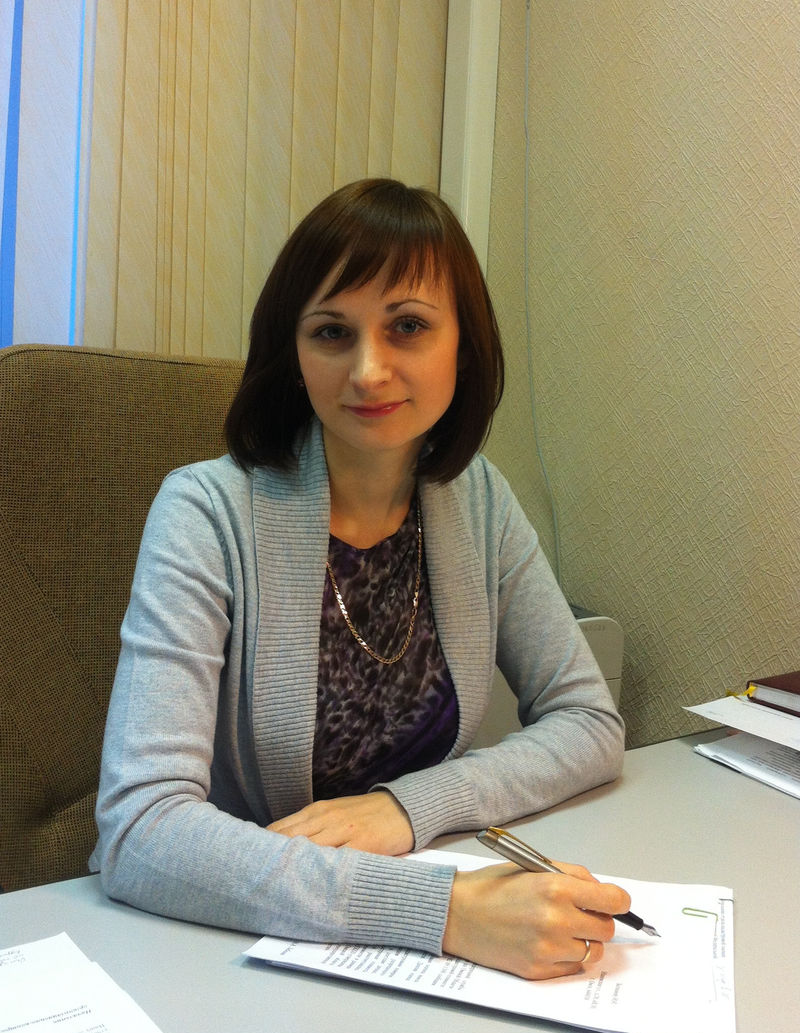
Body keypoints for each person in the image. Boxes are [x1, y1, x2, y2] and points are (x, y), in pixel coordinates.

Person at [91, 178, 629, 981]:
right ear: (294, 354)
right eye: (332, 332)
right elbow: (140, 829)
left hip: (410, 930)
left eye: (408, 326)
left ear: (463, 344)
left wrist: (407, 809)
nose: (369, 371)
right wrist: (442, 911)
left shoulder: (478, 498)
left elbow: (588, 721)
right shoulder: (204, 512)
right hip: (235, 944)